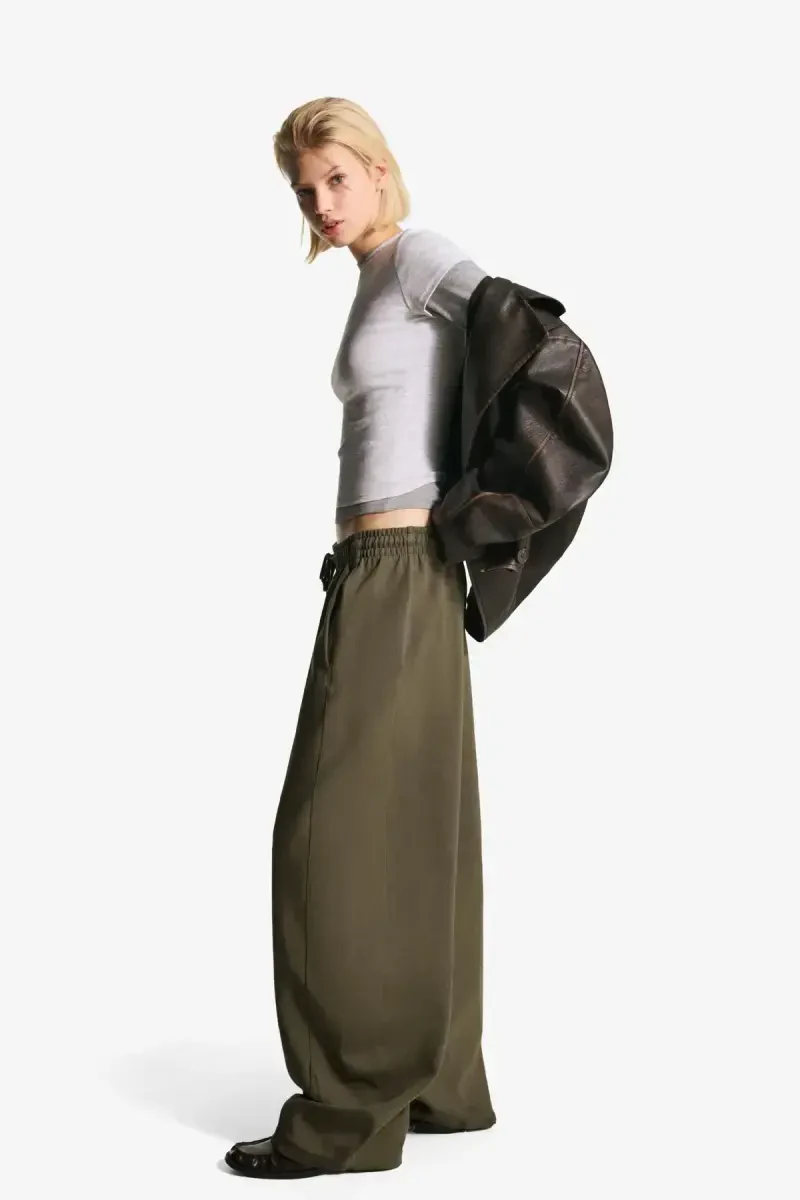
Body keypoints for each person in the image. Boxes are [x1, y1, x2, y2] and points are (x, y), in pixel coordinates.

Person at [225, 96, 497, 1180]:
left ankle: (348, 1112)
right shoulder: (376, 278)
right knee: (419, 828)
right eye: (305, 190)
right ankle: (439, 1084)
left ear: (380, 170)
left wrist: (491, 503)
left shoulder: (421, 258)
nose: (321, 202)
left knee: (323, 840)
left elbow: (532, 341)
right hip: (386, 573)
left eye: (336, 177)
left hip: (400, 568)